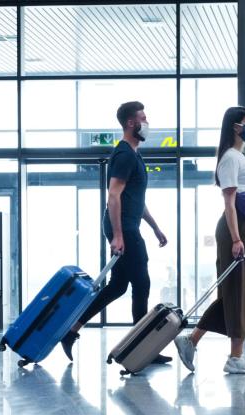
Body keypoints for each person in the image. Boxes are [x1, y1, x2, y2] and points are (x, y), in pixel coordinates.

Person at [60, 101, 172, 364]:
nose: (147, 123)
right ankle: (140, 346)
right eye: (144, 118)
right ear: (132, 123)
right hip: (123, 227)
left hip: (128, 223)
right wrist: (118, 235)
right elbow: (114, 195)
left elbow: (136, 199)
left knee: (118, 286)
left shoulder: (134, 155)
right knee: (141, 284)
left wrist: (155, 227)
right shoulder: (124, 154)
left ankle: (71, 331)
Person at [173, 107, 245, 375]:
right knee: (240, 292)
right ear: (235, 126)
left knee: (234, 292)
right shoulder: (229, 158)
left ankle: (190, 341)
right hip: (234, 228)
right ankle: (236, 358)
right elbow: (229, 202)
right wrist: (238, 239)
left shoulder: (241, 157)